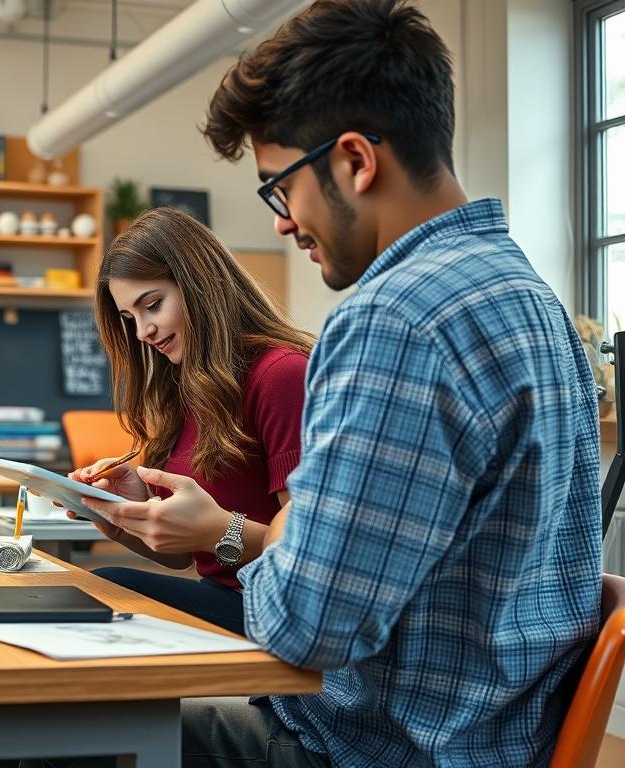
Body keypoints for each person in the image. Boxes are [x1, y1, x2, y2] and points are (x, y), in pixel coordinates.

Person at [83, 1, 602, 765]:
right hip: (488, 736)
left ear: (356, 160)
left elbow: (306, 624)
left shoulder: (395, 319)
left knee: (45, 725)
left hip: (372, 746)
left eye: (279, 187)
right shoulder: (529, 296)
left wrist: (241, 539)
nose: (283, 223)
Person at [68, 206, 312, 635]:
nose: (143, 331)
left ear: (199, 284)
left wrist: (220, 530)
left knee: (105, 589)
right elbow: (181, 556)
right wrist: (124, 517)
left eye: (153, 305)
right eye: (131, 318)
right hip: (225, 597)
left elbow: (311, 554)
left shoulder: (282, 373)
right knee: (90, 589)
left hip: (275, 611)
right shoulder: (186, 384)